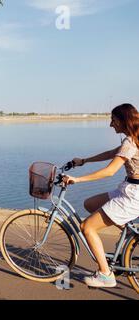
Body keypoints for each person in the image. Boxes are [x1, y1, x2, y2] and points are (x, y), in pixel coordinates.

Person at [63, 103, 139, 288]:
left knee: (87, 227)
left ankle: (106, 275)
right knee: (90, 204)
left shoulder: (130, 143)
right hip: (128, 188)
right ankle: (128, 234)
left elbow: (109, 171)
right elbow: (111, 153)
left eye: (113, 120)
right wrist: (84, 160)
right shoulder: (131, 139)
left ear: (122, 120)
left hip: (133, 196)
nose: (110, 124)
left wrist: (77, 180)